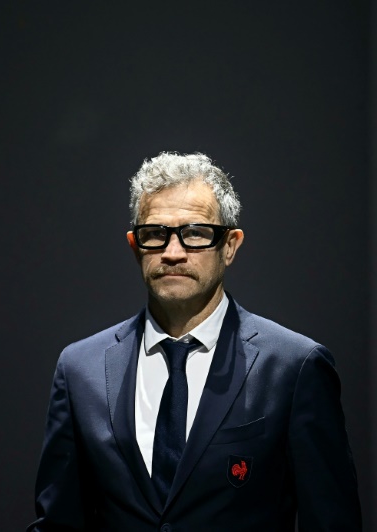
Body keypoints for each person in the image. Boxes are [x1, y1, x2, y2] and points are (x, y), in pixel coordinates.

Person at [29, 152, 361, 531]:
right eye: (155, 234)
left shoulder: (294, 367)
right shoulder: (80, 370)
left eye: (196, 233)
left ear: (230, 245)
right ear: (135, 245)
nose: (173, 253)